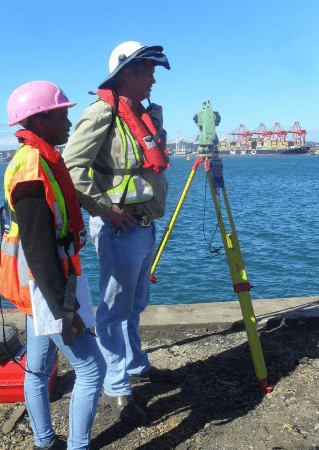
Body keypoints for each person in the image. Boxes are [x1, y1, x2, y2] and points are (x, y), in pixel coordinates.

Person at [62, 41, 172, 425]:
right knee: (114, 309)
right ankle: (117, 387)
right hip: (119, 227)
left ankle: (136, 365)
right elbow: (71, 168)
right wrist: (105, 209)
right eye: (148, 72)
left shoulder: (139, 115)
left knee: (135, 303)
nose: (153, 79)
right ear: (128, 73)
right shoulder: (102, 114)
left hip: (143, 225)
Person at [0, 81, 106, 450]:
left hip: (38, 282)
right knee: (93, 369)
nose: (68, 120)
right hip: (47, 282)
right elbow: (40, 249)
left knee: (38, 365)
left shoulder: (38, 159)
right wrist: (65, 308)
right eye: (61, 114)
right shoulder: (32, 172)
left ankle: (44, 441)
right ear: (39, 120)